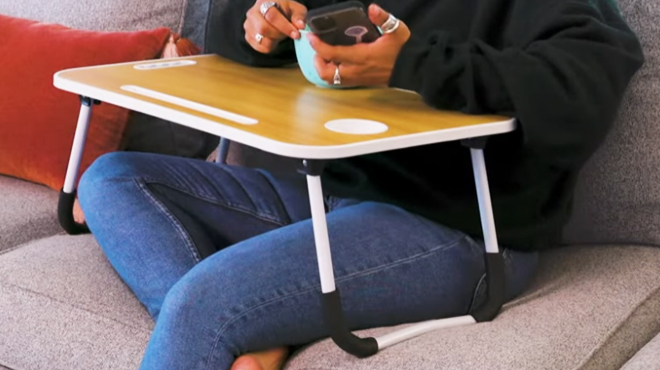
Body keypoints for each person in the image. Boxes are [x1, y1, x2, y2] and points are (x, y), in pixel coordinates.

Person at [77, 0, 644, 369]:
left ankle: (234, 322)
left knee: (205, 304)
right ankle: (261, 332)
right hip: (329, 195)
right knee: (110, 177)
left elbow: (581, 95)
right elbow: (252, 28)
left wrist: (414, 63)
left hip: (459, 227)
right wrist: (258, 29)